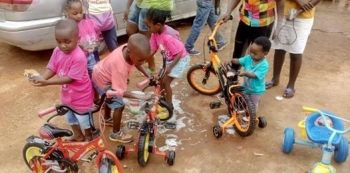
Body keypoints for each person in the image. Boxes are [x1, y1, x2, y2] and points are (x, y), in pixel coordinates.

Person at [29, 19, 94, 141]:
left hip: (81, 96)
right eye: (59, 41)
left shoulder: (79, 57)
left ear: (78, 38)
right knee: (69, 116)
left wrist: (47, 82)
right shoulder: (57, 51)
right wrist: (42, 78)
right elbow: (52, 67)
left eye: (67, 42)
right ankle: (78, 135)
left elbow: (70, 79)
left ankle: (89, 137)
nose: (62, 45)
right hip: (67, 95)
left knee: (83, 119)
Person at [92, 33, 152, 143]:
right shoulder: (120, 67)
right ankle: (116, 134)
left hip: (100, 72)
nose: (142, 62)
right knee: (119, 105)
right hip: (103, 81)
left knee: (108, 98)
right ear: (130, 52)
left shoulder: (130, 49)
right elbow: (120, 92)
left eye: (144, 60)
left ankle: (107, 118)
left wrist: (148, 74)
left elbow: (137, 63)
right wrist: (139, 96)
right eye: (140, 60)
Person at [266, 0, 321, 98]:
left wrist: (305, 7)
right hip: (284, 13)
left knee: (296, 52)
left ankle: (291, 85)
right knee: (279, 49)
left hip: (303, 17)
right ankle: (275, 79)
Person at [145, 8, 191, 110]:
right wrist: (144, 57)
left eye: (149, 26)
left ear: (158, 25)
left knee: (165, 82)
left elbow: (179, 53)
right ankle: (163, 99)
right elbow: (152, 49)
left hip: (180, 60)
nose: (148, 29)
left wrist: (170, 67)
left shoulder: (168, 37)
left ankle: (169, 106)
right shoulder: (155, 33)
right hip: (170, 59)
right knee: (160, 80)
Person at [222, 0, 281, 80]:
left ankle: (252, 89)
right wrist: (228, 12)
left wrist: (279, 26)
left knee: (257, 57)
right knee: (237, 53)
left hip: (263, 23)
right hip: (245, 20)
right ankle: (232, 83)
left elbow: (280, 2)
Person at [124, 0, 174, 74]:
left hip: (151, 4)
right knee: (130, 31)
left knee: (144, 39)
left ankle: (151, 64)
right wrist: (127, 7)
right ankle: (140, 57)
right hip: (140, 4)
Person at [231, 36, 270, 110]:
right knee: (244, 99)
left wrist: (245, 73)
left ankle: (252, 117)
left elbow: (254, 75)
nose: (251, 54)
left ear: (265, 53)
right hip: (246, 86)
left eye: (255, 53)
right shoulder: (249, 58)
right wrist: (232, 60)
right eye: (251, 51)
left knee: (253, 104)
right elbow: (239, 60)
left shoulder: (264, 65)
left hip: (256, 90)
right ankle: (244, 110)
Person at [65, 0, 100, 77]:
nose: (79, 15)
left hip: (90, 55)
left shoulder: (87, 23)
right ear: (67, 12)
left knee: (94, 73)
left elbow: (95, 36)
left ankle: (95, 87)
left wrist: (96, 42)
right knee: (82, 76)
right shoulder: (68, 28)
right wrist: (81, 46)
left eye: (81, 12)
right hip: (78, 59)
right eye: (75, 13)